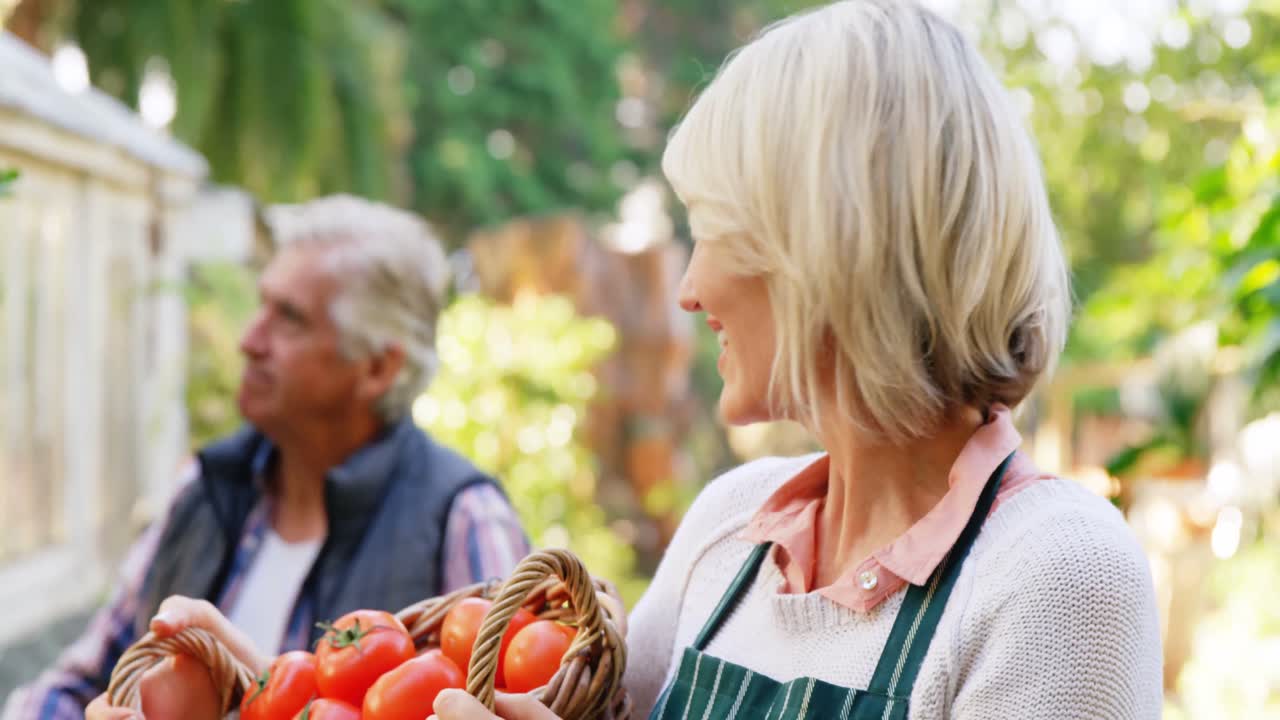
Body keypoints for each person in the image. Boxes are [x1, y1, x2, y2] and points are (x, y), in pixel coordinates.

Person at [106, 1, 1165, 718]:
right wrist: (285, 697)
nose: (689, 286)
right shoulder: (730, 534)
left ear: (822, 250)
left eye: (709, 230)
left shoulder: (1051, 579)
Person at [4, 195, 531, 720]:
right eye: (263, 306)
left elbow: (518, 693)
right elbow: (79, 682)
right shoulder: (204, 488)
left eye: (290, 319)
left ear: (377, 368)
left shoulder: (465, 518)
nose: (249, 340)